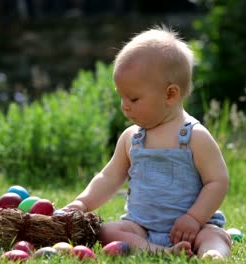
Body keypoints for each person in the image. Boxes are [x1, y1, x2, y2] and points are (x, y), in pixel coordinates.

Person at [63, 25, 231, 259]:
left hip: (193, 229)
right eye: (120, 96)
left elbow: (217, 181)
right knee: (108, 231)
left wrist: (194, 218)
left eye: (133, 98)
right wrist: (82, 203)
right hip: (141, 228)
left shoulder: (194, 136)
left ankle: (212, 254)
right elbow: (108, 177)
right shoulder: (132, 137)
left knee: (213, 235)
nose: (124, 105)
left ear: (170, 94)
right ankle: (160, 251)